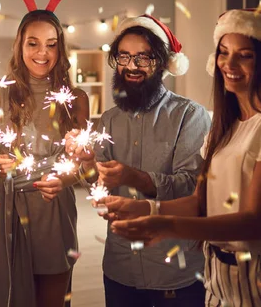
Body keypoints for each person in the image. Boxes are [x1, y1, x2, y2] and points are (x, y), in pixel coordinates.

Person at [102, 9, 261, 307]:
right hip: (218, 278)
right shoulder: (225, 126)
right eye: (223, 52)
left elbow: (258, 223)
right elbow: (200, 202)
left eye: (245, 55)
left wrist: (166, 224)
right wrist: (144, 207)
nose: (229, 64)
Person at [65, 15, 210, 306]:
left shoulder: (190, 116)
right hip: (121, 268)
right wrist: (88, 164)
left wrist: (133, 177)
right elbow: (98, 185)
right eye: (124, 56)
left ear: (163, 63)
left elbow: (190, 187)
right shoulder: (108, 120)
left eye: (143, 57)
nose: (132, 65)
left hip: (174, 270)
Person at [0, 0, 90, 307]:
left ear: (60, 48)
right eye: (33, 43)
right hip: (8, 206)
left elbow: (81, 164)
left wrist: (64, 180)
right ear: (19, 45)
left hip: (55, 209)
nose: (42, 53)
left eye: (51, 45)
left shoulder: (76, 98)